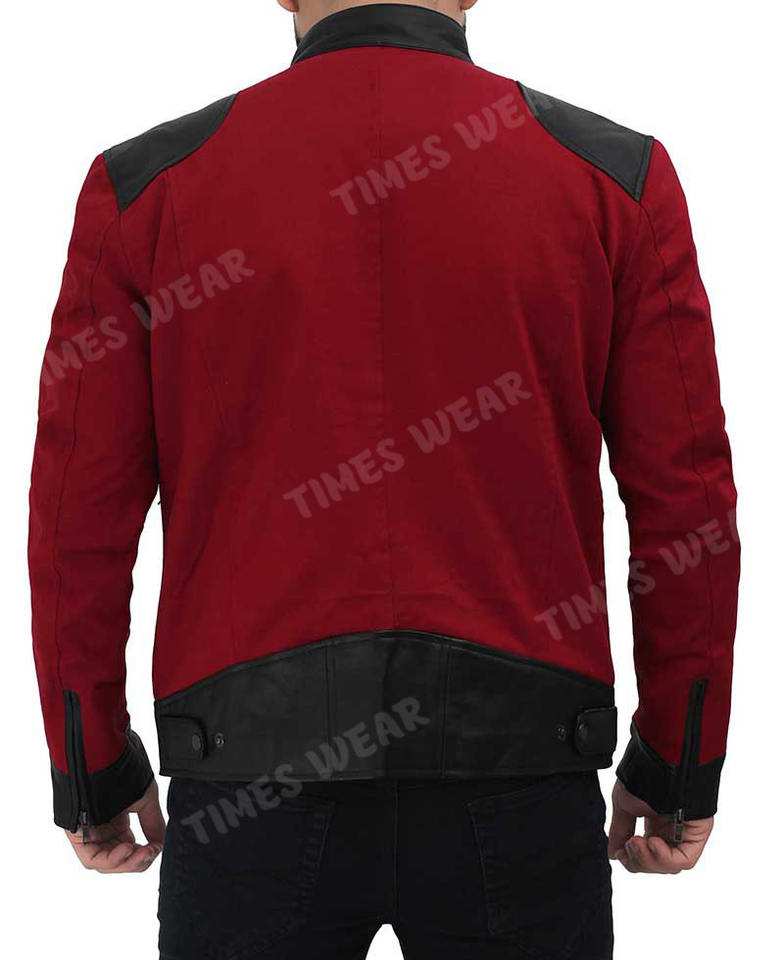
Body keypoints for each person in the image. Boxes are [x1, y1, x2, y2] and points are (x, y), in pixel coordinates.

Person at [29, 1, 740, 957]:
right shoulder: (615, 178)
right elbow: (687, 505)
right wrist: (680, 757)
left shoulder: (144, 188)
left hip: (248, 788)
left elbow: (76, 521)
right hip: (520, 775)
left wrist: (90, 764)